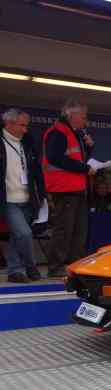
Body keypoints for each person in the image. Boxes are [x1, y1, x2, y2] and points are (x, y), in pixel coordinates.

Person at [43, 100, 95, 278]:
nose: (85, 120)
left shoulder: (76, 134)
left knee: (79, 229)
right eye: (83, 116)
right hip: (63, 188)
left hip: (77, 188)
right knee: (64, 228)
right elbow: (55, 158)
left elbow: (80, 159)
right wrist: (84, 169)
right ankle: (56, 266)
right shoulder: (58, 132)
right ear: (71, 115)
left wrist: (90, 147)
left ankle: (77, 265)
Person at [1, 108, 46, 283]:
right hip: (9, 200)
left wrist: (41, 193)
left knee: (16, 236)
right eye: (22, 125)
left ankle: (14, 271)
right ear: (9, 123)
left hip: (28, 198)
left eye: (26, 126)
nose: (25, 129)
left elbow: (36, 171)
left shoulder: (27, 142)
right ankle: (30, 266)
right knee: (24, 233)